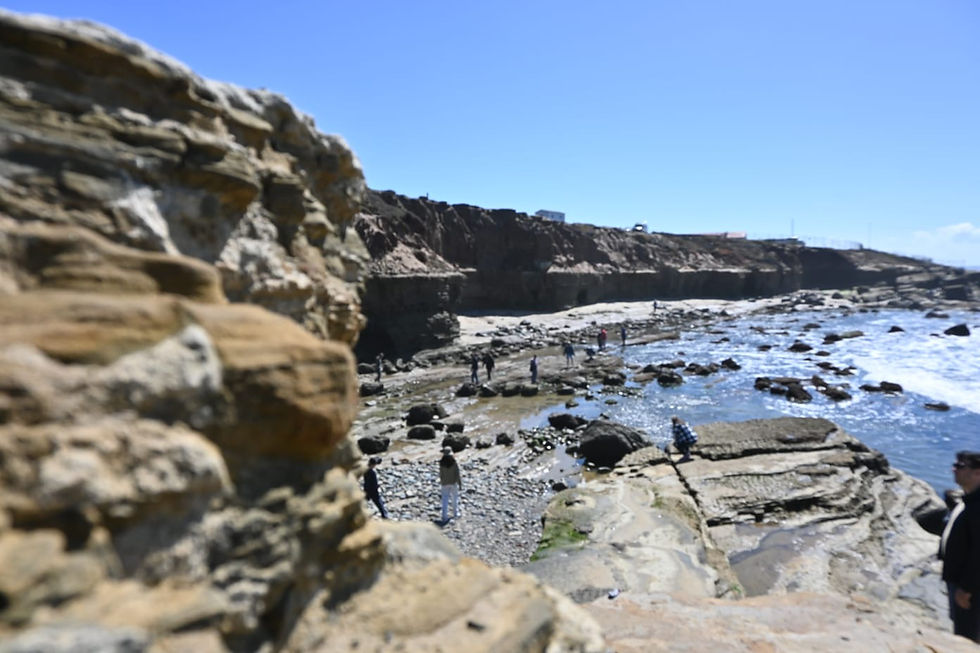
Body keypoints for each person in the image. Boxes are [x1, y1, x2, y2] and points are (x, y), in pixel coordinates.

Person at [940, 450, 980, 642]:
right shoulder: (970, 500)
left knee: (967, 636)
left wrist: (966, 588)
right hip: (961, 582)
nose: (954, 469)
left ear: (978, 472)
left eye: (960, 466)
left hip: (970, 589)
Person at [439, 446, 463, 522]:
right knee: (454, 498)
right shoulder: (453, 462)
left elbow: (441, 474)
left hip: (445, 483)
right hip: (453, 482)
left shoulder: (441, 463)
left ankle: (444, 516)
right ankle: (455, 513)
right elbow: (457, 473)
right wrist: (460, 483)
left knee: (445, 499)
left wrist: (442, 481)